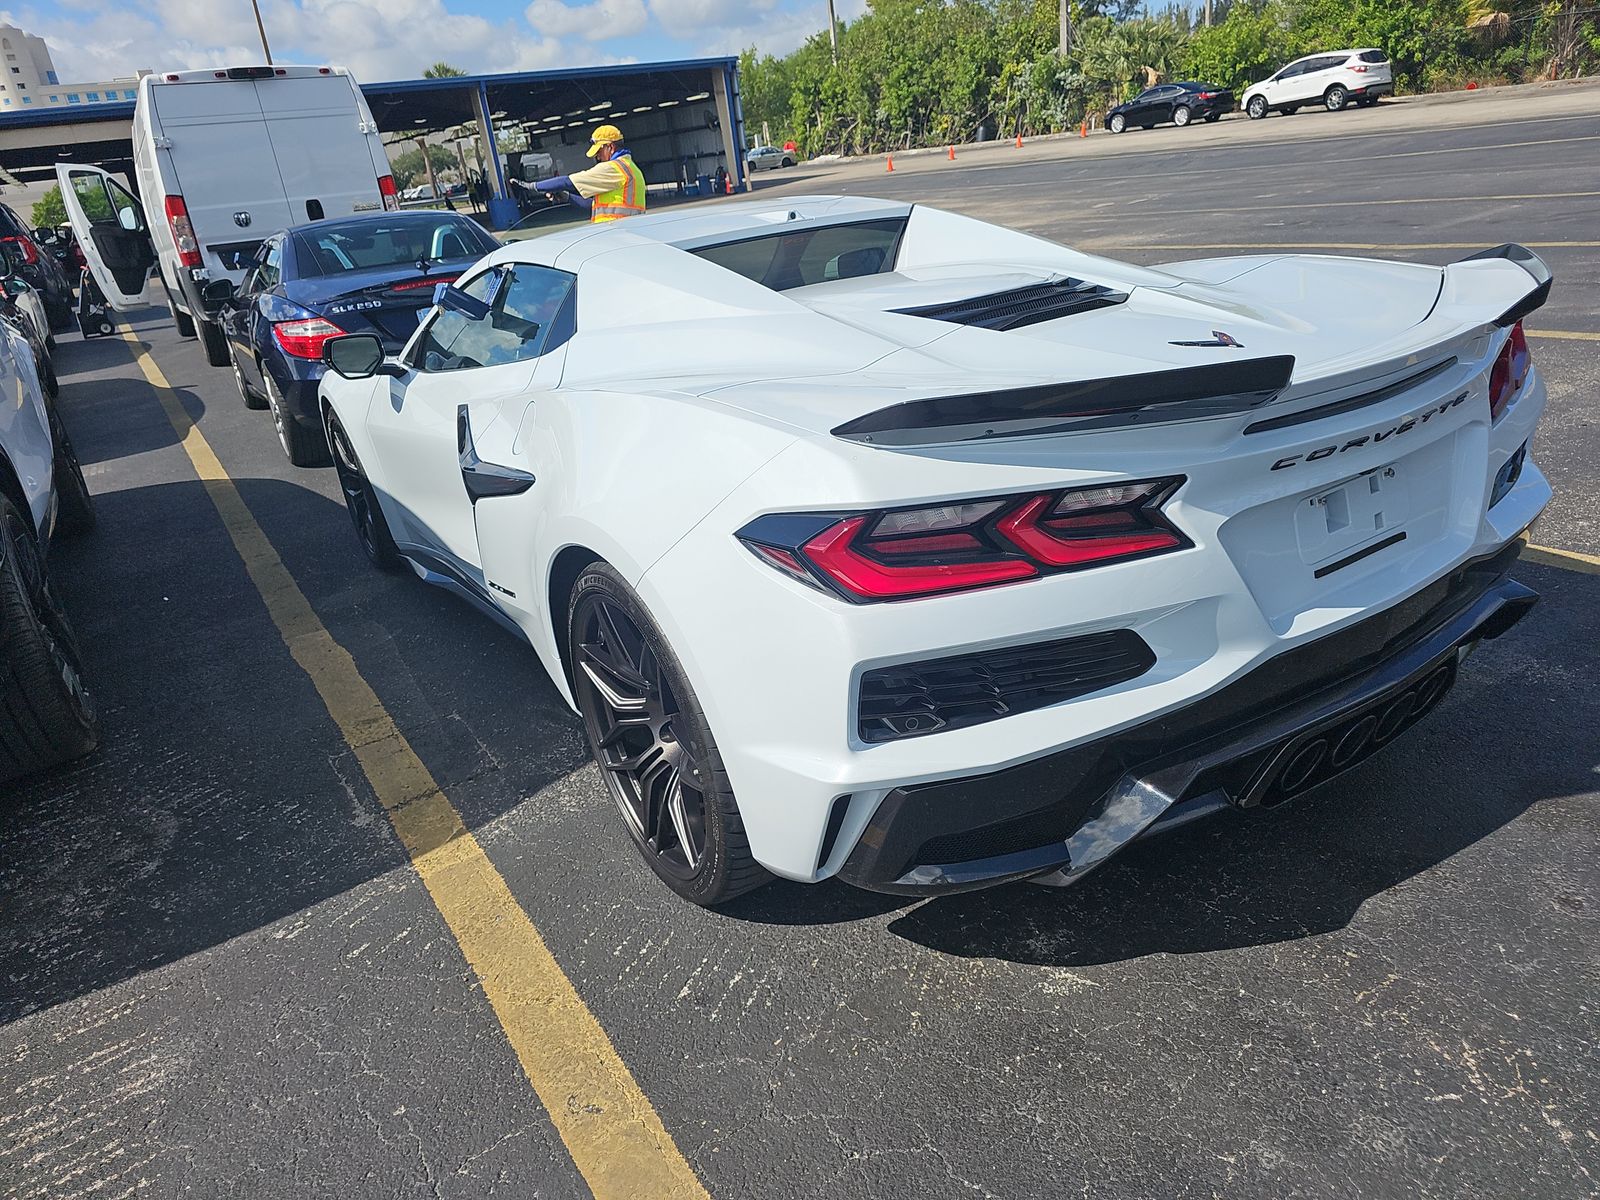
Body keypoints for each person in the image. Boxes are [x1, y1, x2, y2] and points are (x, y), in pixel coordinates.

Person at [511, 124, 646, 223]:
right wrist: (566, 196)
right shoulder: (631, 168)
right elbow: (592, 205)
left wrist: (531, 186)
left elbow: (567, 181)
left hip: (617, 234)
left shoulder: (613, 168)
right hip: (626, 231)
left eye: (599, 151)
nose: (598, 157)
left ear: (610, 147)